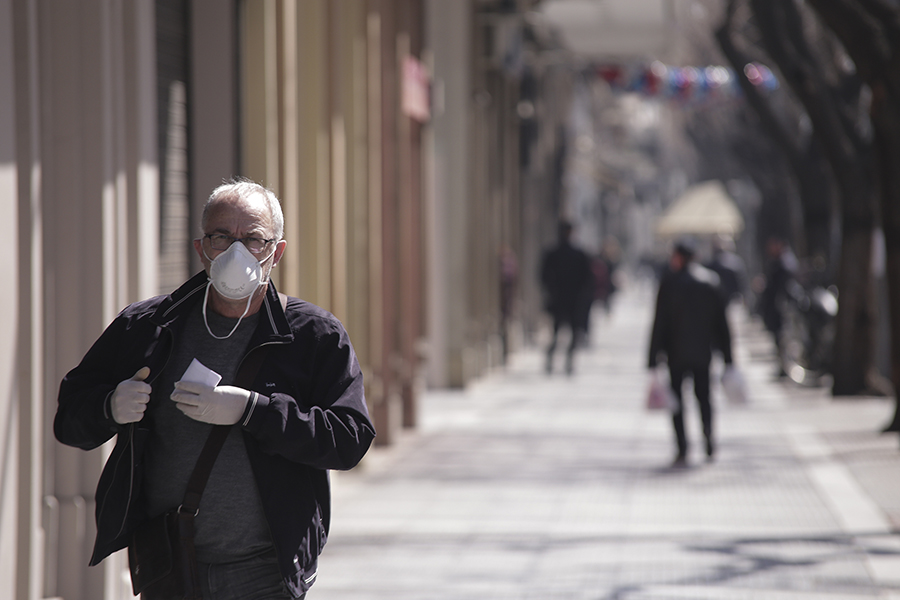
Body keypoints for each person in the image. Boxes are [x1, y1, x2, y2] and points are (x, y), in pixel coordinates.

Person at [54, 179, 376, 599]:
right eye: (221, 236)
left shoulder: (313, 335)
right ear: (200, 247)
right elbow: (69, 419)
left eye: (254, 239)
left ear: (276, 252)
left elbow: (350, 438)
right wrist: (108, 405)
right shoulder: (146, 327)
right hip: (169, 562)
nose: (236, 251)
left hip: (264, 568)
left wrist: (254, 411)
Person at [647, 238, 733, 466]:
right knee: (704, 398)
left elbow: (659, 323)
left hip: (676, 355)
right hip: (703, 354)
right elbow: (722, 325)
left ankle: (682, 446)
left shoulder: (670, 283)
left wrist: (652, 358)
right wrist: (728, 357)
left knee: (677, 402)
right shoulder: (710, 282)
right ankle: (708, 440)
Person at [540, 221, 593, 375]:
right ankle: (564, 361)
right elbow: (587, 280)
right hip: (570, 301)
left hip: (561, 300)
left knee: (558, 333)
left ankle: (559, 361)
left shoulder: (554, 254)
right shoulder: (576, 255)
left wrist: (551, 291)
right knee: (563, 334)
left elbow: (544, 277)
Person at [758, 235, 798, 377]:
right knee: (779, 339)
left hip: (781, 308)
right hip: (776, 308)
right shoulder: (778, 262)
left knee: (783, 338)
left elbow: (781, 289)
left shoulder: (784, 264)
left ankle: (786, 366)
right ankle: (783, 366)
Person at [704, 234, 746, 305]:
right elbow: (742, 284)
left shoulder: (712, 263)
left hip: (718, 301)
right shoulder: (736, 262)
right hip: (732, 299)